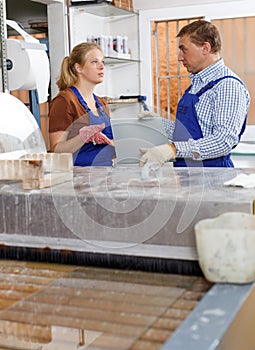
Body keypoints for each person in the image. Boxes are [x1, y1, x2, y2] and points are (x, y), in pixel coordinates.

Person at [140, 20, 250, 167]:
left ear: (205, 48)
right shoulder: (198, 84)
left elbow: (223, 141)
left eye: (184, 50)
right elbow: (186, 133)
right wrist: (158, 124)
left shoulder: (227, 86)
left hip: (213, 178)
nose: (179, 57)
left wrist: (172, 149)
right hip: (190, 176)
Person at [48, 42, 115, 166]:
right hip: (79, 177)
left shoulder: (101, 103)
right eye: (94, 62)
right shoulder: (65, 101)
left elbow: (108, 149)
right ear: (78, 68)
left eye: (103, 62)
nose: (101, 67)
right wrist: (83, 137)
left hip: (106, 174)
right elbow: (56, 150)